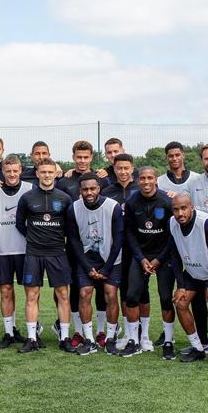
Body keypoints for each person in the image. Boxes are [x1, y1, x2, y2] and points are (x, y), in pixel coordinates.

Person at [15, 159, 74, 353]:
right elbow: (19, 223)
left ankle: (64, 337)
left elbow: (70, 227)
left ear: (55, 173)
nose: (47, 175)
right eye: (43, 172)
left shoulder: (64, 199)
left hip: (57, 252)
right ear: (37, 174)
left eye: (50, 172)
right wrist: (34, 237)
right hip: (34, 253)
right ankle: (31, 338)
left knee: (63, 295)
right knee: (32, 295)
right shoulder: (27, 198)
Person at [169, 195, 208, 367]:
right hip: (193, 271)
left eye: (184, 208)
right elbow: (174, 256)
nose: (180, 213)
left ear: (192, 207)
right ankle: (198, 348)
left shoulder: (206, 222)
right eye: (176, 209)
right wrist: (181, 285)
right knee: (180, 304)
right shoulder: (171, 223)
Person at [67, 172, 123, 355]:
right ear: (80, 190)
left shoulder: (113, 207)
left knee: (111, 293)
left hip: (111, 257)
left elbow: (118, 239)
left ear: (99, 188)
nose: (89, 192)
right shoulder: (73, 209)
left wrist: (107, 267)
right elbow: (74, 240)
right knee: (84, 293)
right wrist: (86, 266)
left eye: (92, 188)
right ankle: (89, 339)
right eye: (85, 189)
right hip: (87, 257)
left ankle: (111, 338)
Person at [121, 166, 175, 357]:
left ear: (155, 180)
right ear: (137, 180)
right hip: (141, 256)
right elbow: (129, 233)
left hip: (163, 256)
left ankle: (168, 342)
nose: (146, 182)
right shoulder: (132, 202)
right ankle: (134, 341)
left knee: (166, 297)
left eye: (149, 178)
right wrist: (141, 258)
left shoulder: (167, 201)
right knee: (132, 295)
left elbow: (172, 235)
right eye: (142, 178)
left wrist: (158, 259)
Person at [55, 140, 97, 344]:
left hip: (96, 244)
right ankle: (78, 330)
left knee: (97, 288)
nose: (82, 161)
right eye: (78, 157)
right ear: (73, 157)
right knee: (72, 285)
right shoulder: (64, 181)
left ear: (91, 157)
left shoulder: (100, 179)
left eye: (85, 157)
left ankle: (101, 330)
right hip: (71, 243)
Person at [0, 155, 33, 348]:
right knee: (5, 291)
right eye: (8, 171)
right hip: (3, 250)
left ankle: (33, 332)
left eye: (15, 170)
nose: (11, 174)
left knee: (30, 292)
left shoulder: (29, 189)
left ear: (20, 171)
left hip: (26, 250)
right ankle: (9, 332)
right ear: (3, 171)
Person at [100, 153, 139, 343]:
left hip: (136, 248)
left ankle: (135, 334)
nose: (123, 172)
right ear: (113, 169)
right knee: (113, 291)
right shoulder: (106, 192)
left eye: (126, 168)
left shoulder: (140, 189)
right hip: (112, 248)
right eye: (119, 168)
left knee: (132, 292)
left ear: (132, 169)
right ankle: (116, 332)